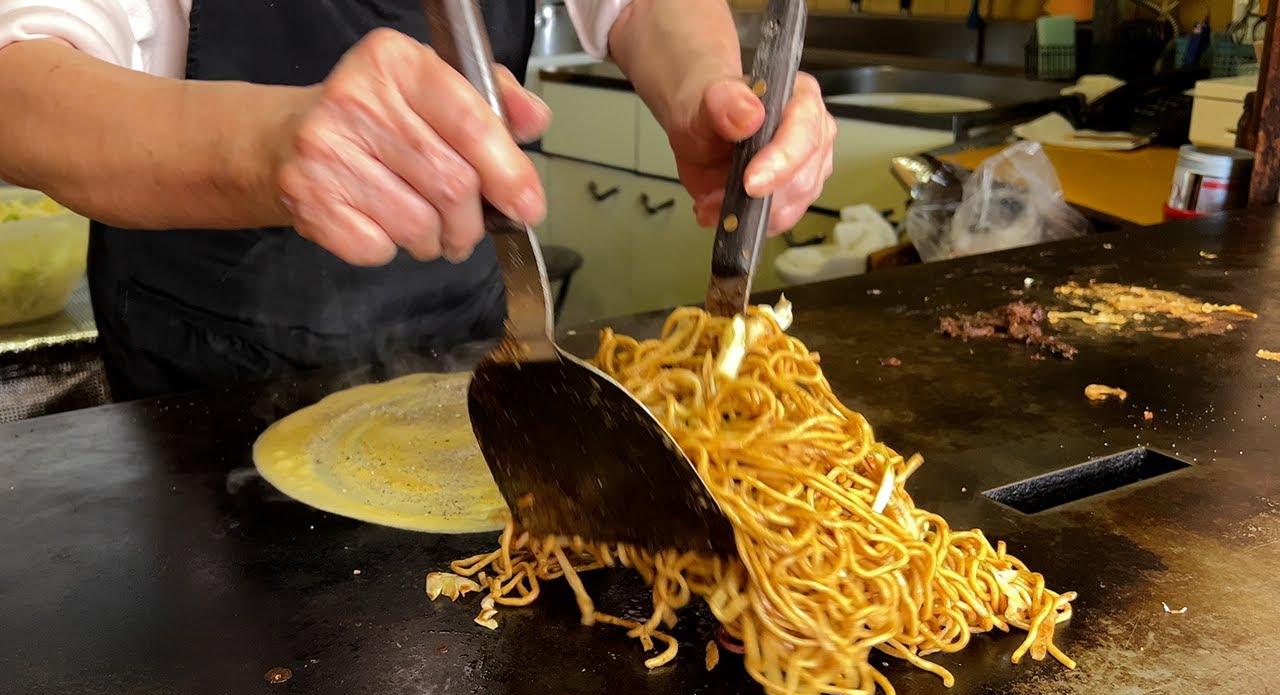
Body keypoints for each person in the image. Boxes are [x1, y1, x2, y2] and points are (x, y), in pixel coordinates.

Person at [0, 1, 837, 401]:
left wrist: (708, 86)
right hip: (202, 371)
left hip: (475, 340)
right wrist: (264, 144)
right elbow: (18, 78)